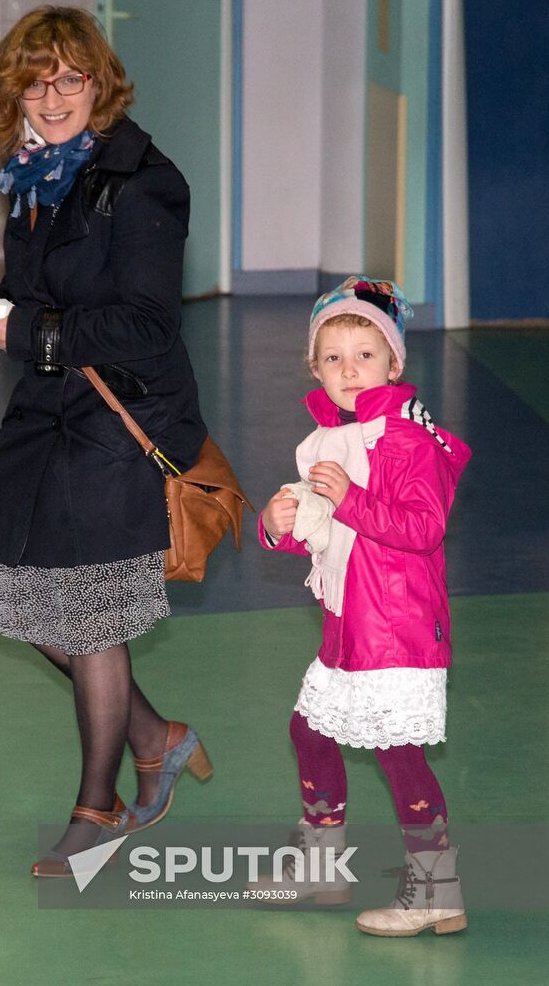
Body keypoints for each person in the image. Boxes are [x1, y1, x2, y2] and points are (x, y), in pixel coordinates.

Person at [0, 5, 213, 877]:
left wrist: (24, 331)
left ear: (99, 82)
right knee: (32, 607)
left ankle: (97, 810)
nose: (52, 95)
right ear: (14, 91)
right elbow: (44, 281)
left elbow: (142, 323)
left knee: (92, 618)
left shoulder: (142, 181)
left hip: (123, 420)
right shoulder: (35, 171)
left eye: (70, 77)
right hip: (50, 411)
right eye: (36, 79)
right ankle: (157, 737)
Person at [257, 276, 471, 936]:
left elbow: (421, 528)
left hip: (399, 625)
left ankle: (437, 890)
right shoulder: (328, 440)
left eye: (364, 355)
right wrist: (278, 521)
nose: (348, 370)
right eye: (332, 358)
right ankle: (321, 864)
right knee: (310, 731)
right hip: (349, 621)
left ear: (394, 363)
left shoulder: (405, 440)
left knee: (398, 754)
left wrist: (349, 496)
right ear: (313, 367)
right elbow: (323, 540)